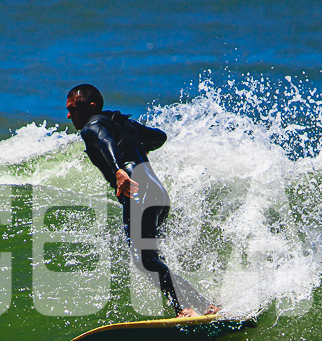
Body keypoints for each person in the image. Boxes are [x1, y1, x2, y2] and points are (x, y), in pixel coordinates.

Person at [65, 83, 214, 318]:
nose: (69, 115)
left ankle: (184, 309)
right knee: (151, 260)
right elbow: (159, 137)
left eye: (73, 109)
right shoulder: (124, 123)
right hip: (159, 194)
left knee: (146, 261)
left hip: (138, 193)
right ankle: (205, 306)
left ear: (91, 107)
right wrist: (137, 146)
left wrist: (117, 169)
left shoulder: (91, 126)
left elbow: (105, 141)